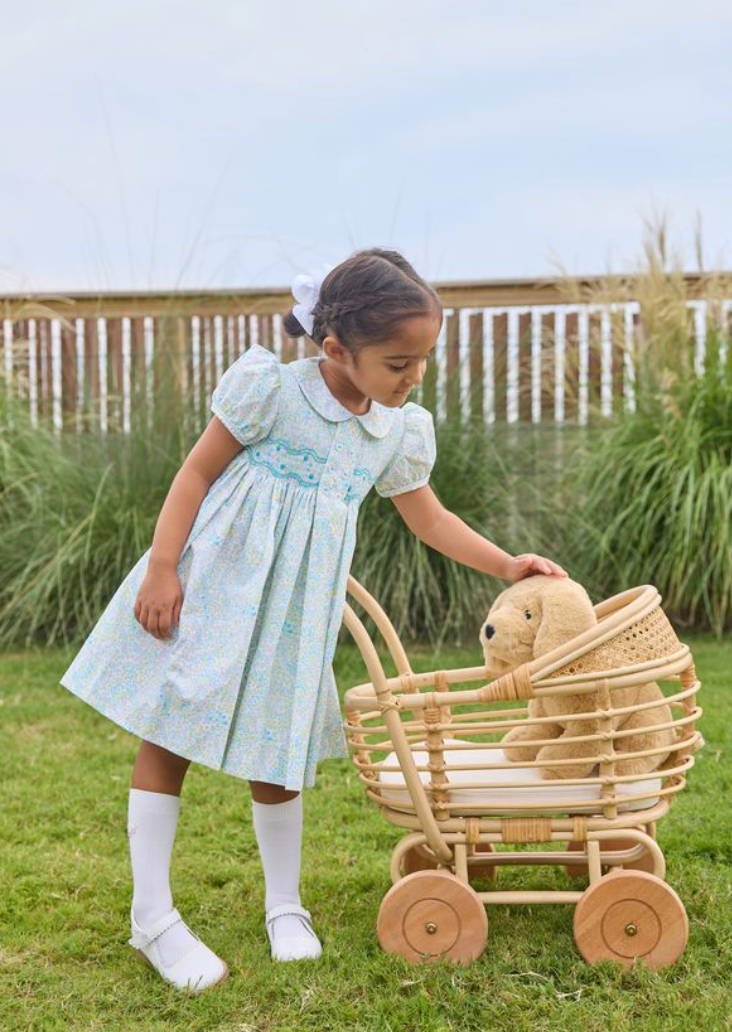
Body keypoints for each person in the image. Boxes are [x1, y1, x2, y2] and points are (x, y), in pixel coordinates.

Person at [59, 247, 567, 993]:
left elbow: (429, 516)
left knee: (280, 747)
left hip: (296, 619)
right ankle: (153, 916)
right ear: (336, 349)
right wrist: (164, 566)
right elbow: (197, 471)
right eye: (399, 362)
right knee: (170, 734)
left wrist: (506, 565)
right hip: (216, 590)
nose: (414, 376)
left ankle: (285, 904)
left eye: (422, 360)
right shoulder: (273, 391)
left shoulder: (394, 429)